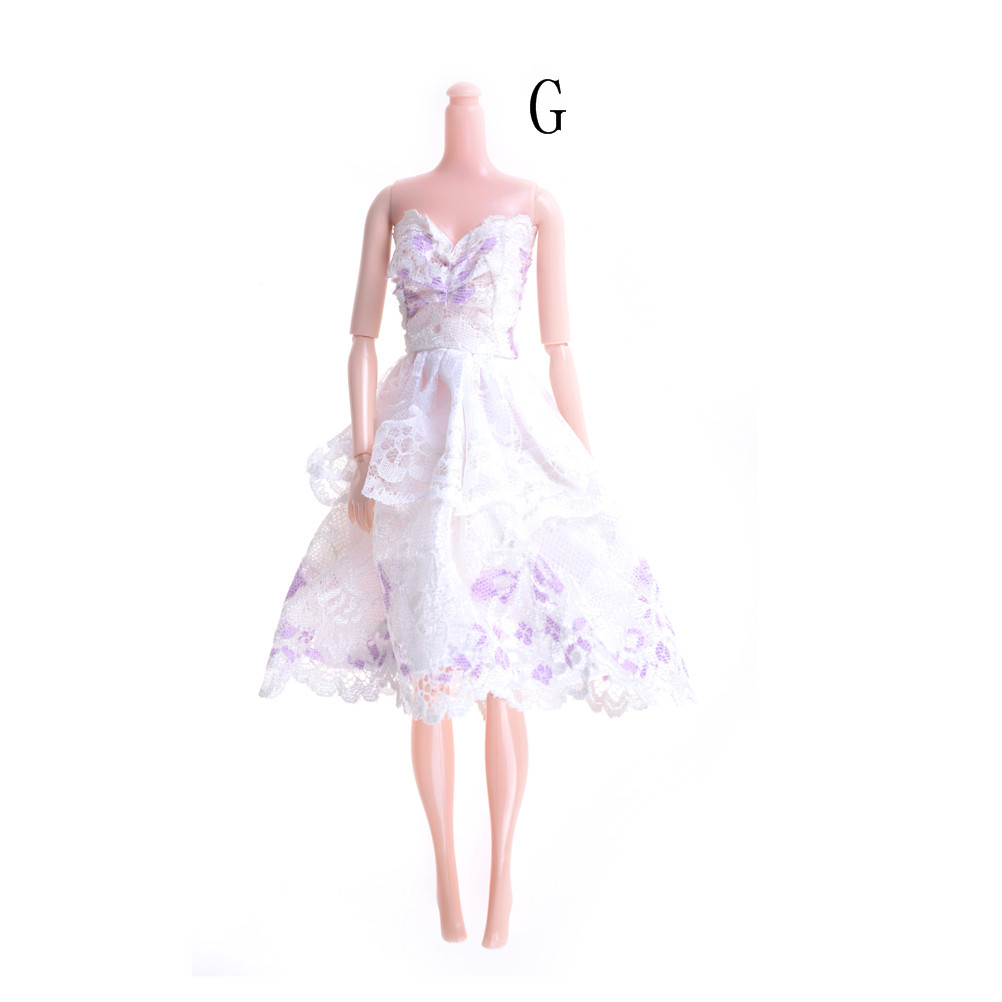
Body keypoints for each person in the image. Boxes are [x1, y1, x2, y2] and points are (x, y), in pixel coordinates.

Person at [260, 82, 695, 949]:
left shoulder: (535, 203)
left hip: (505, 439)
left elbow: (559, 346)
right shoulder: (393, 201)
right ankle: (448, 887)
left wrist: (581, 464)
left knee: (502, 664)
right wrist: (363, 461)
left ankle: (500, 885)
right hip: (417, 440)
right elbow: (362, 341)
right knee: (431, 663)